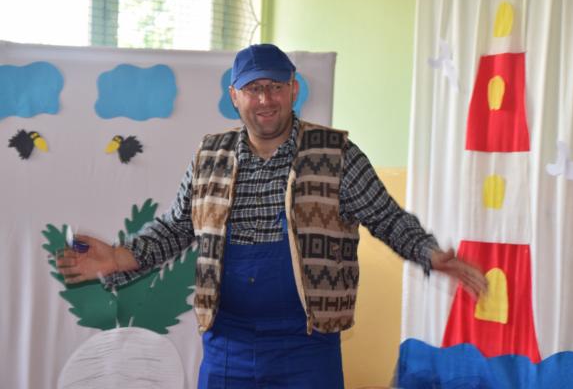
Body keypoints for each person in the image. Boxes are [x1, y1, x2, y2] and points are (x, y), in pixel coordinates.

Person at [57, 43, 487, 389]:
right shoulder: (209, 156)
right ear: (234, 96)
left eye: (275, 87)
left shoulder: (336, 154)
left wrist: (429, 253)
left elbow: (386, 217)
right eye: (253, 88)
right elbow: (176, 227)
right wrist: (119, 257)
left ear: (293, 89)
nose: (265, 99)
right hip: (227, 345)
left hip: (308, 346)